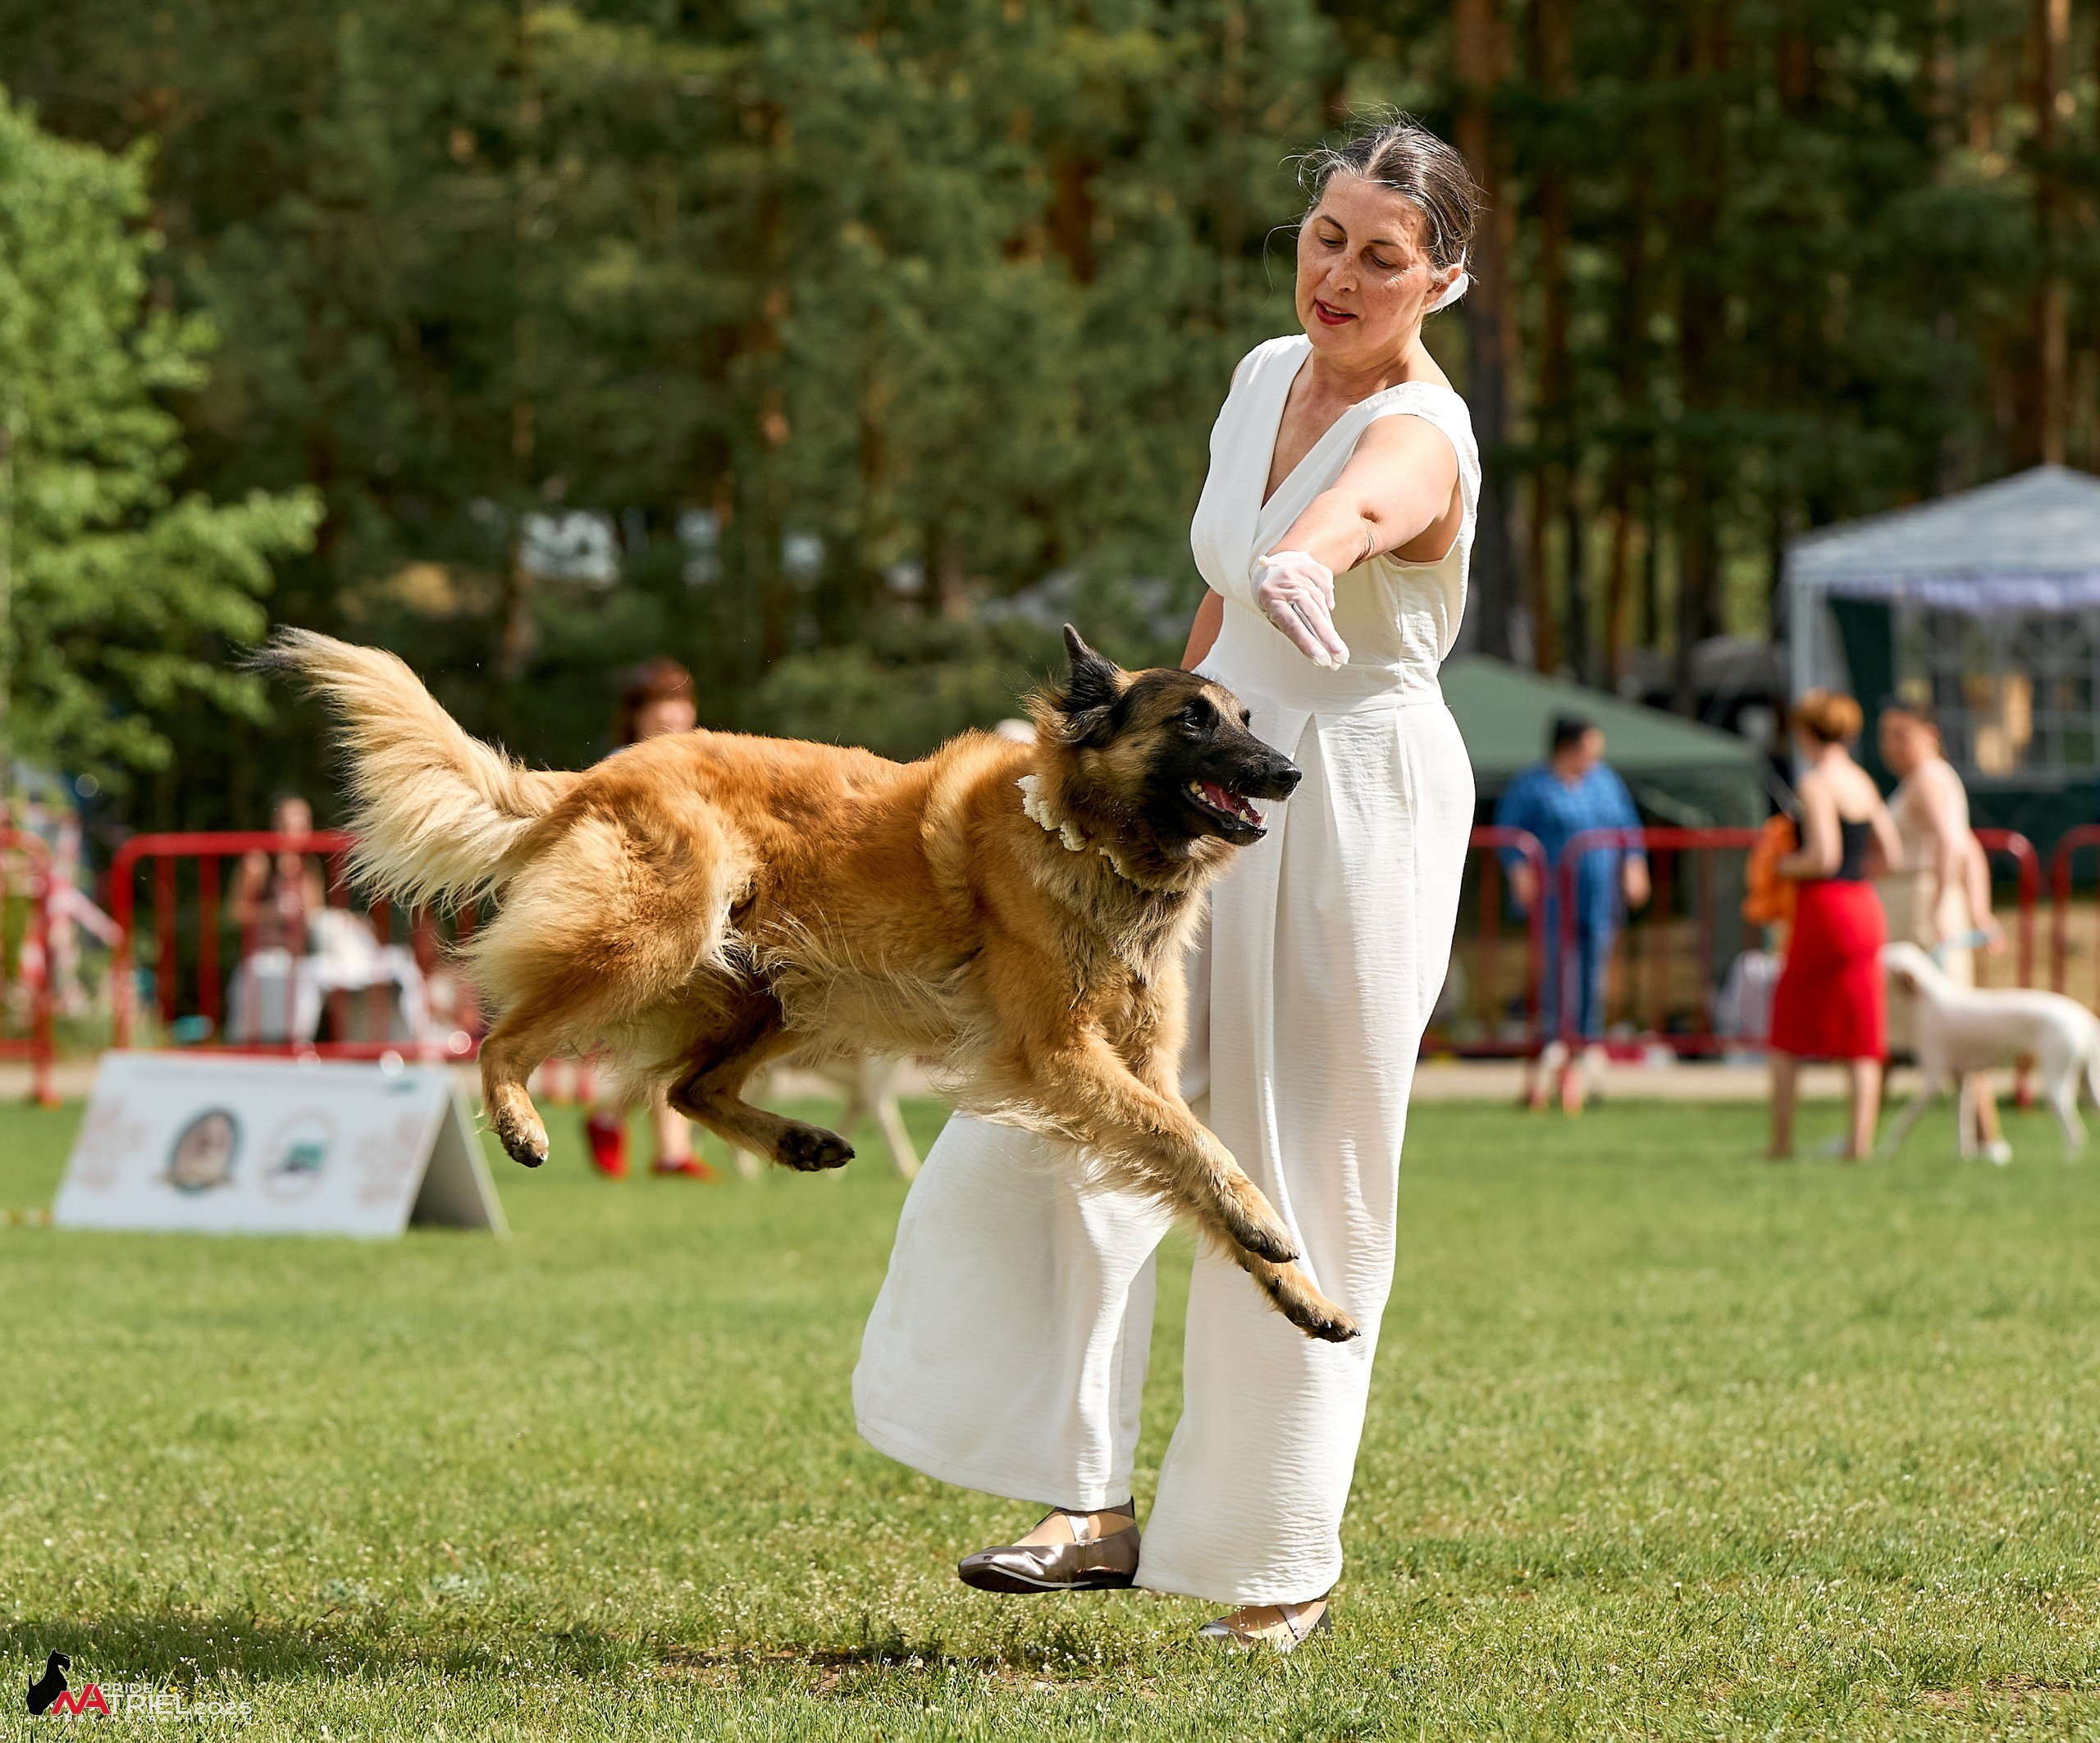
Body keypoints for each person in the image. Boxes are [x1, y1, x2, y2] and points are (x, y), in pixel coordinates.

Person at [853, 117, 1481, 1650]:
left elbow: (1368, 504)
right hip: (1184, 800)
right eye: (1325, 237)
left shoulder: (1428, 430)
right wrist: (1129, 752)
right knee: (1067, 1104)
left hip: (1352, 808)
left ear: (1441, 283)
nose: (1340, 274)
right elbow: (1222, 584)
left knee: (1301, 1162)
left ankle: (1277, 1557)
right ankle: (1084, 1495)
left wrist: (1310, 555)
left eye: (1382, 257)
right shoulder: (1267, 374)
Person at [583, 659, 717, 1182]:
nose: (674, 712)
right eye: (661, 701)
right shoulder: (621, 768)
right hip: (637, 912)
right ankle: (670, 1151)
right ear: (637, 714)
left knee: (674, 1031)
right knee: (669, 1028)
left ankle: (613, 1119)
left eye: (682, 701)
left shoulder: (701, 765)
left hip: (689, 913)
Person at [1767, 691, 1903, 1160]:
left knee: (1788, 1024)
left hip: (1824, 909)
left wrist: (1782, 866)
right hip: (1864, 905)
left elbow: (1822, 855)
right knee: (1863, 1030)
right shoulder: (1862, 781)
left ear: (1806, 732)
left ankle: (1782, 1144)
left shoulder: (1815, 783)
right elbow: (1891, 853)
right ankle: (1860, 1144)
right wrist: (1858, 874)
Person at [1492, 715, 1650, 1097]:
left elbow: (1628, 827)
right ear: (1568, 747)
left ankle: (1586, 1040)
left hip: (1600, 893)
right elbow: (1508, 832)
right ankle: (1556, 1038)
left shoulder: (1605, 781)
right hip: (1554, 896)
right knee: (1560, 968)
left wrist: (1635, 864)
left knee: (1594, 968)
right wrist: (1518, 871)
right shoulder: (1533, 785)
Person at [1876, 702, 2008, 1159]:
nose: (1892, 745)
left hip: (1920, 912)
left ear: (1928, 734)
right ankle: (1874, 1134)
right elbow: (1968, 846)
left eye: (1901, 734)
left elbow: (1953, 844)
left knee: (1949, 1032)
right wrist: (1979, 908)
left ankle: (1986, 1137)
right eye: (1886, 735)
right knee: (1926, 1032)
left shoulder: (1930, 779)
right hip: (1925, 907)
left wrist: (1937, 906)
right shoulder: (1932, 780)